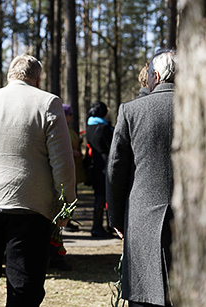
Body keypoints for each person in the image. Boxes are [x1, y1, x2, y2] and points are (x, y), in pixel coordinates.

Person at [0, 54, 76, 307]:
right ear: (38, 78)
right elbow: (62, 161)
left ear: (10, 75)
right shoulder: (48, 103)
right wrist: (66, 203)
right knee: (24, 286)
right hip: (30, 207)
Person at [106, 49, 176, 307]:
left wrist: (116, 218)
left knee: (144, 296)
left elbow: (115, 170)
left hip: (142, 217)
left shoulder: (132, 111)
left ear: (155, 77)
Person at [85, 101, 113, 238]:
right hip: (106, 166)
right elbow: (111, 147)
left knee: (99, 197)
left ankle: (97, 226)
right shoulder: (104, 128)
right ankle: (102, 227)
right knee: (106, 197)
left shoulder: (89, 127)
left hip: (96, 166)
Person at [62, 104, 84, 232]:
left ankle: (68, 220)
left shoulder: (69, 128)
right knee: (67, 196)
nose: (71, 117)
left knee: (73, 196)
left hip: (75, 166)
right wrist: (72, 151)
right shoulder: (61, 128)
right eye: (69, 114)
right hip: (67, 168)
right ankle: (65, 221)